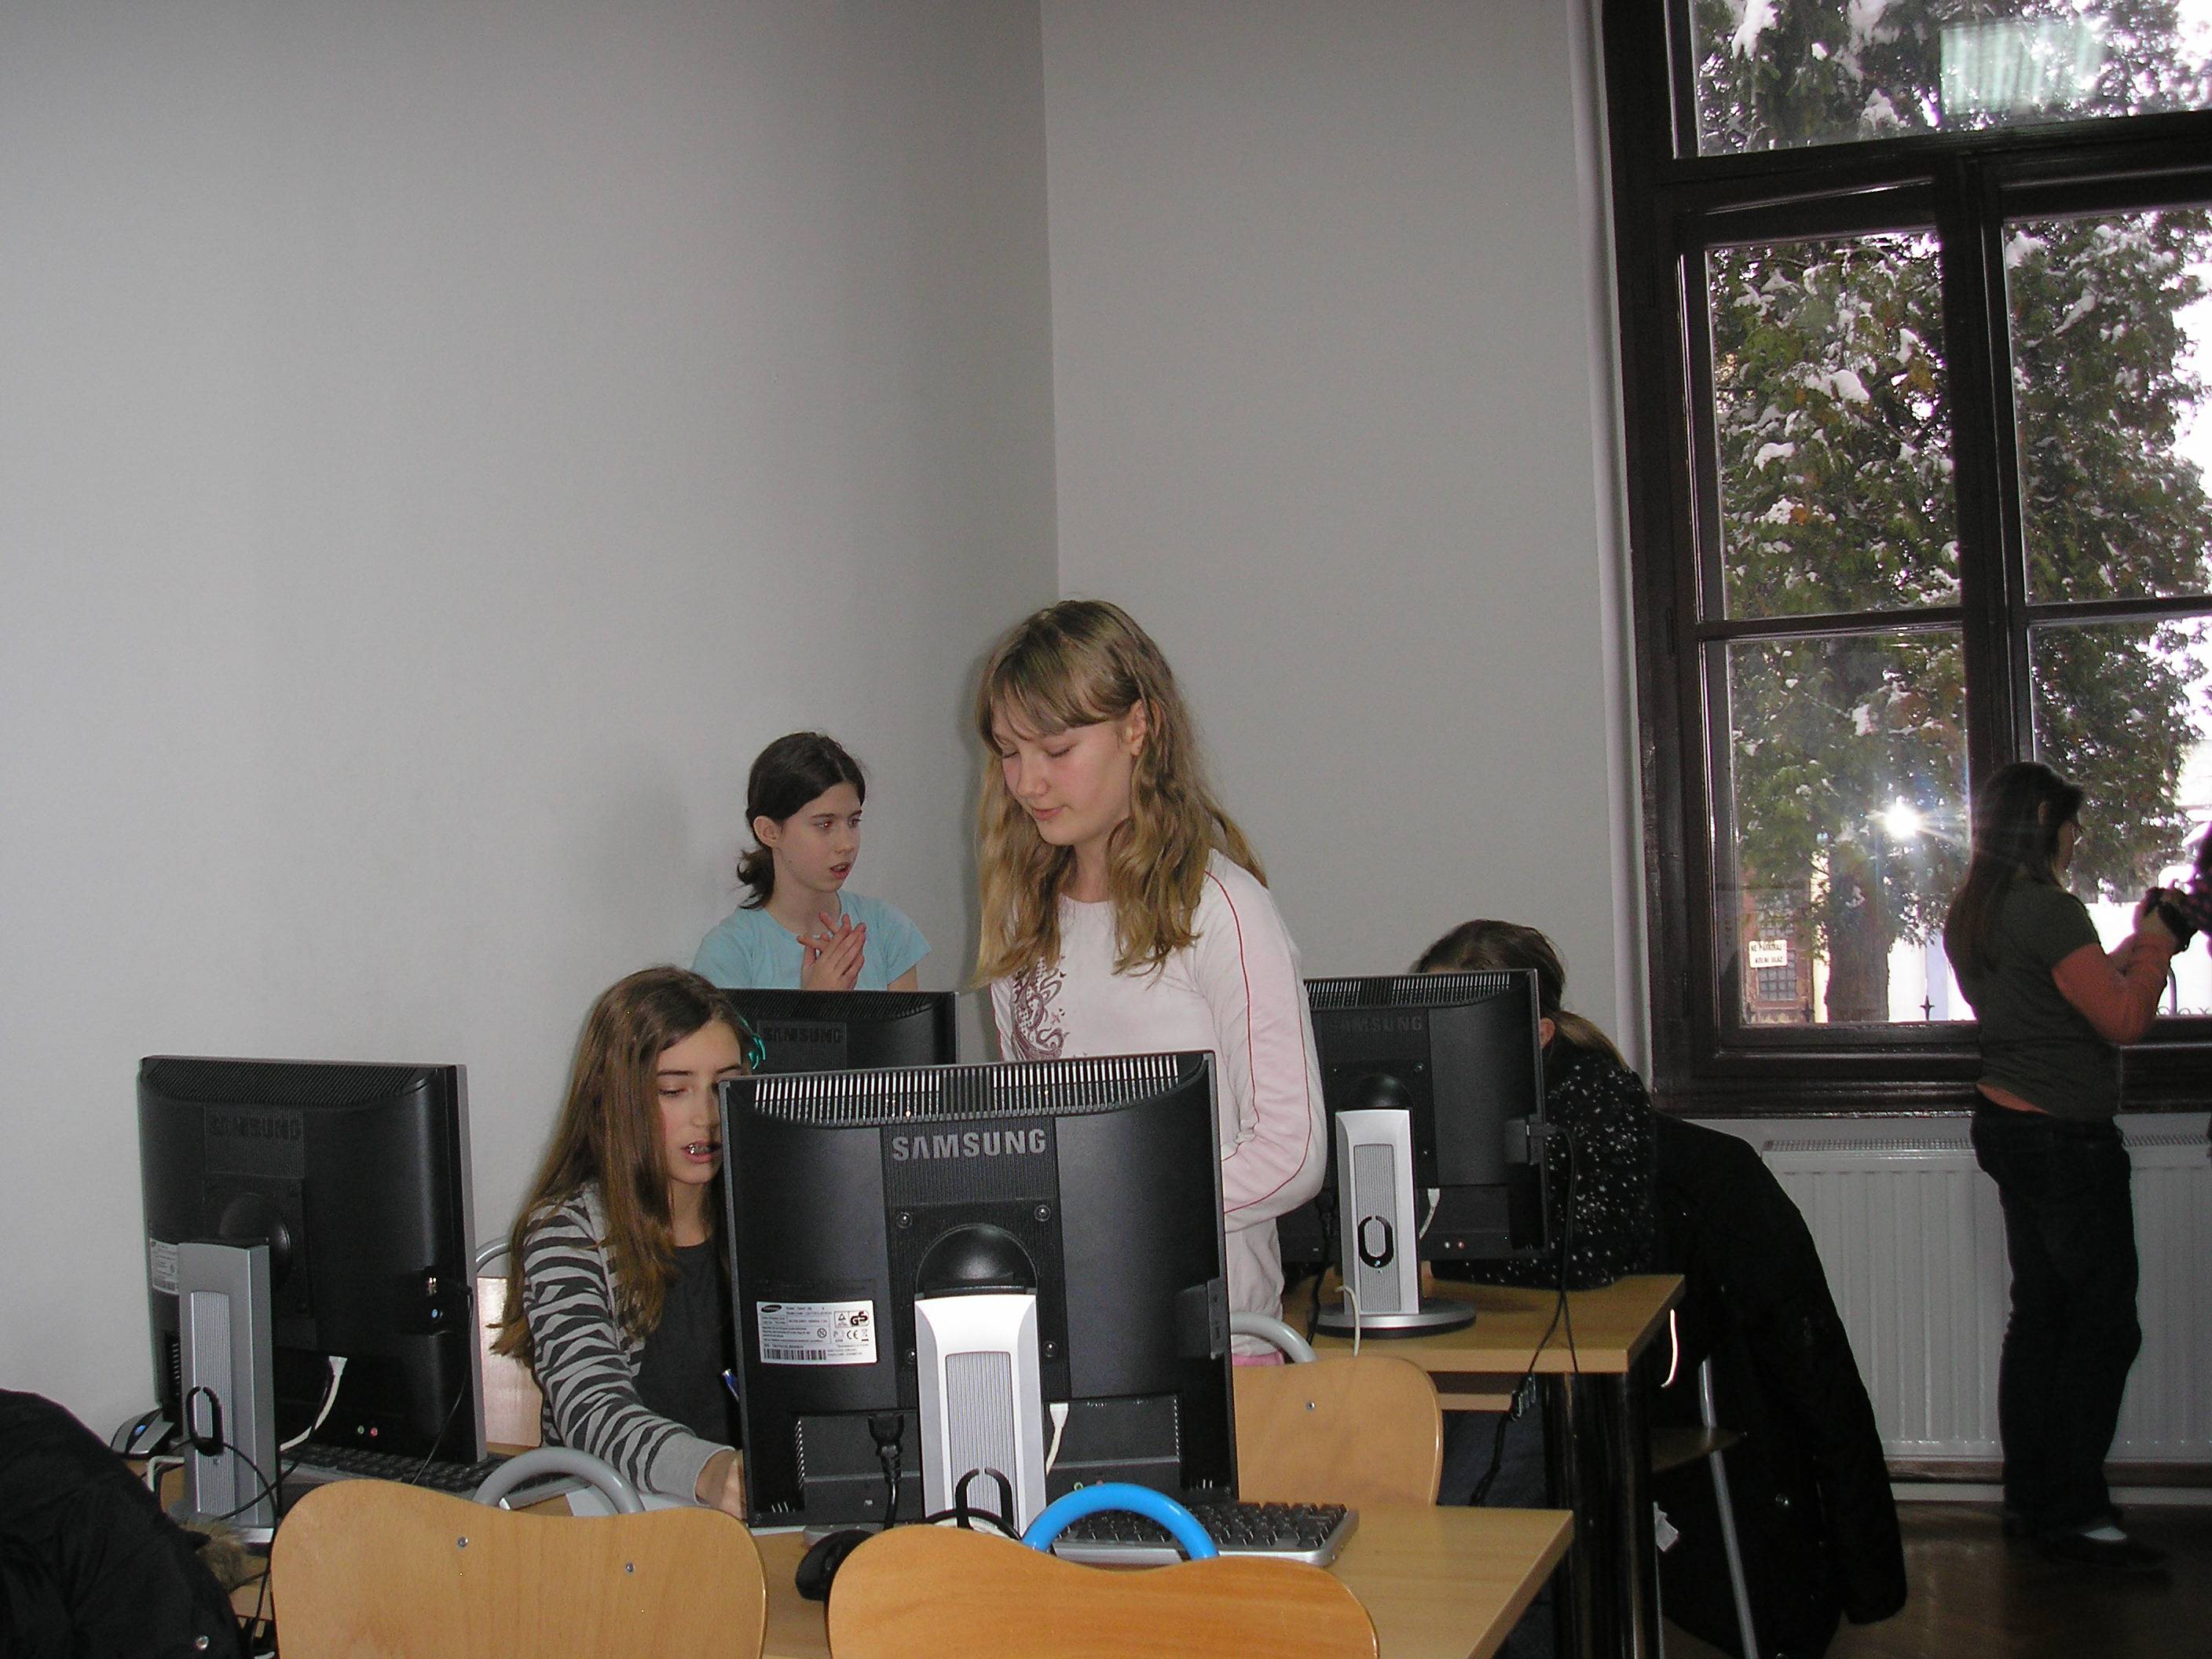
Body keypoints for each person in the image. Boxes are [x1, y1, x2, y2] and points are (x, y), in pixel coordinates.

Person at [974, 599, 1325, 1357]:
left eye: (1056, 750)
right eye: (1009, 752)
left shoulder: (1222, 909)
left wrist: (1111, 1207)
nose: (1028, 783)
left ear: (1138, 728)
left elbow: (1291, 1154)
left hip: (1215, 1344)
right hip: (1069, 1338)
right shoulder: (1022, 921)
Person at [1942, 760, 2178, 1573]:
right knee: (2103, 1326)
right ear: (2044, 817)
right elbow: (2120, 1019)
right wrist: (2155, 948)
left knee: (2041, 1318)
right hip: (2063, 1141)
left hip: (2008, 1126)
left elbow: (2058, 991)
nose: (2075, 838)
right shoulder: (2046, 907)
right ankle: (2076, 1513)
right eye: (2071, 822)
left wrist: (2136, 945)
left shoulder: (1978, 910)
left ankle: (2032, 1499)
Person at [493, 966, 753, 1513]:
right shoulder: (569, 1231)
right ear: (615, 1100)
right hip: (614, 1519)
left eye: (724, 1087)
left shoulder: (765, 1216)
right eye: (674, 1091)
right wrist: (708, 1470)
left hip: (751, 1520)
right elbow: (592, 1410)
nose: (707, 1116)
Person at [1412, 918, 1657, 1291]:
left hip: (1587, 1313)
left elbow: (1590, 1256)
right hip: (1465, 1302)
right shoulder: (1422, 1092)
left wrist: (1442, 1267)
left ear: (1538, 1034)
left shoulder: (1600, 1095)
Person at [693, 732, 928, 992]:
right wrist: (814, 1003)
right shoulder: (728, 952)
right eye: (825, 824)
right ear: (769, 832)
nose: (847, 844)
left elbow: (910, 1021)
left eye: (853, 821)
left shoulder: (887, 929)